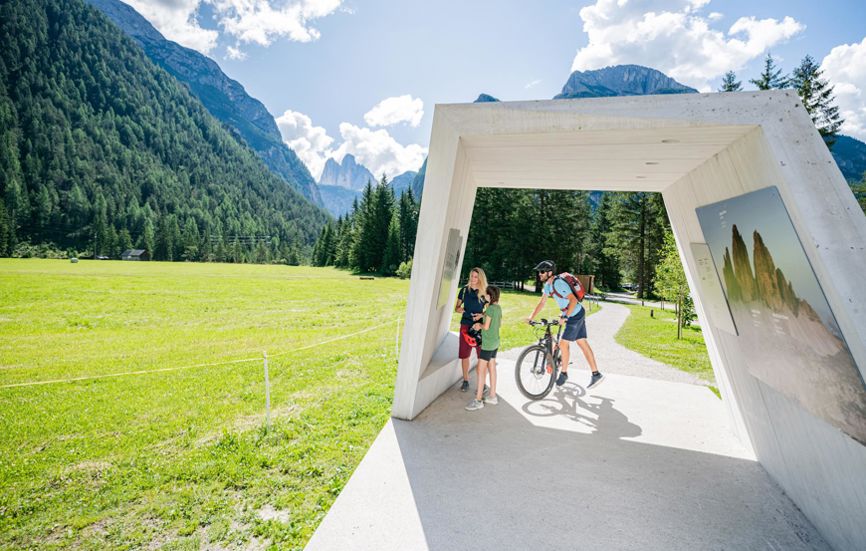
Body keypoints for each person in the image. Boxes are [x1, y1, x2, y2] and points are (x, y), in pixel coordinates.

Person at [526, 260, 604, 390]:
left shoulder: (559, 283)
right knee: (581, 342)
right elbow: (542, 303)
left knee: (563, 344)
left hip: (575, 314)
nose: (539, 274)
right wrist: (531, 317)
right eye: (539, 272)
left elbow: (573, 300)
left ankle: (564, 373)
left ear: (549, 272)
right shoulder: (548, 286)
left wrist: (565, 316)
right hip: (572, 313)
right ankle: (596, 374)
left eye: (542, 271)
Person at [466, 285, 502, 411]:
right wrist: (481, 316)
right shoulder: (497, 308)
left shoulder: (491, 308)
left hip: (487, 344)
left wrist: (478, 325)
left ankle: (478, 400)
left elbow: (486, 327)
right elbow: (492, 319)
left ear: (490, 296)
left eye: (486, 294)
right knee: (492, 368)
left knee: (480, 370)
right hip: (495, 342)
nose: (484, 296)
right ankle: (492, 396)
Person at [455, 267, 489, 392]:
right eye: (472, 276)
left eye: (476, 277)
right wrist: (459, 309)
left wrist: (481, 315)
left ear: (480, 278)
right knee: (464, 355)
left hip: (479, 328)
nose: (473, 279)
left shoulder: (485, 293)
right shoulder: (464, 290)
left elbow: (490, 311)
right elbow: (457, 307)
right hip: (465, 326)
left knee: (482, 356)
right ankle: (465, 381)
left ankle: (483, 384)